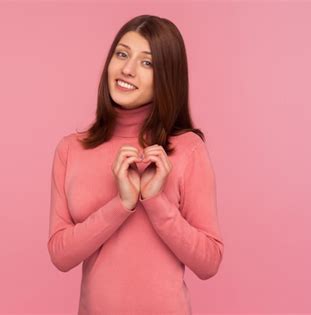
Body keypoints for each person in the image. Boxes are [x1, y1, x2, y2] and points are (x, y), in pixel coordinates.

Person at [48, 14, 224, 315]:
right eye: (122, 54)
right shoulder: (71, 149)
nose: (127, 70)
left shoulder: (188, 150)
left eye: (147, 63)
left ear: (167, 77)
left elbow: (209, 263)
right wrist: (122, 204)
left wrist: (155, 201)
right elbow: (60, 256)